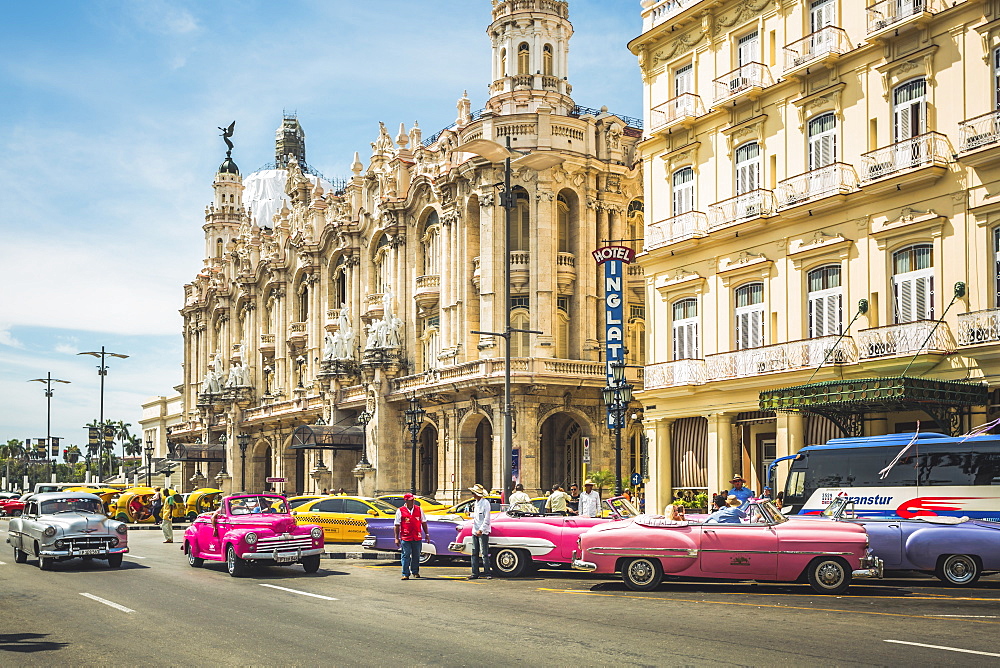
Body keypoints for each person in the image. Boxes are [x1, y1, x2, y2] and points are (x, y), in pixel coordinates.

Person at [393, 493, 430, 580]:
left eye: (413, 500)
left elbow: (423, 522)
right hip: (406, 537)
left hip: (417, 536)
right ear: (405, 501)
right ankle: (405, 573)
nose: (412, 502)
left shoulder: (419, 509)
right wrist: (396, 538)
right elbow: (397, 525)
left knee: (416, 555)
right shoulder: (400, 510)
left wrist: (427, 534)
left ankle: (415, 571)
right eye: (410, 500)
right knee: (406, 555)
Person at [468, 484, 492, 579]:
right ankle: (475, 573)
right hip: (475, 530)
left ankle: (487, 573)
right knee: (474, 552)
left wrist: (481, 530)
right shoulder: (476, 503)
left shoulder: (485, 503)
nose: (473, 495)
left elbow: (487, 518)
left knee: (484, 553)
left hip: (483, 531)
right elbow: (477, 516)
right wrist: (470, 514)